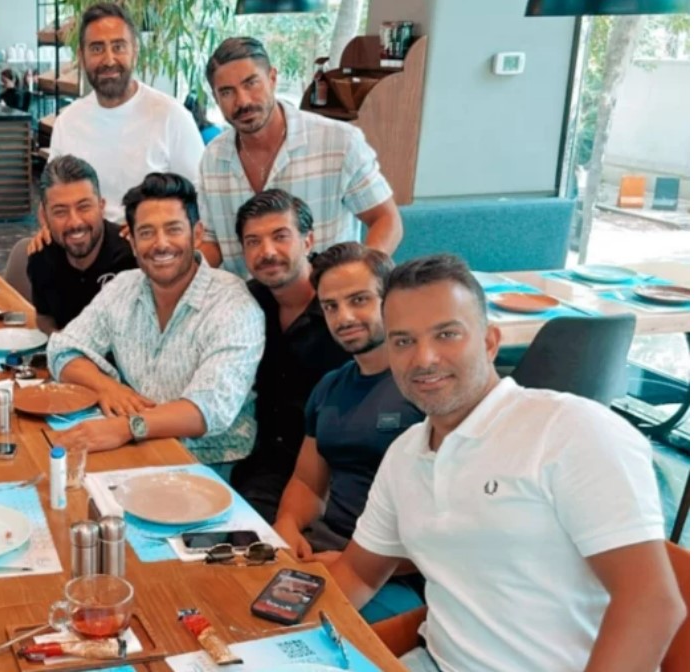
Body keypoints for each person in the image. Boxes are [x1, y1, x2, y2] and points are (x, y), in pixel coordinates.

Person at [325, 254, 685, 672]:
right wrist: (284, 630)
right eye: (403, 341)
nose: (424, 358)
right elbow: (359, 574)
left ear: (489, 342)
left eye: (446, 334)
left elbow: (652, 602)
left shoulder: (571, 430)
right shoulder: (405, 454)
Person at [46, 173, 263, 475]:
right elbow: (62, 349)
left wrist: (128, 426)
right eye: (146, 233)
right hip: (133, 448)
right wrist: (107, 388)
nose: (161, 244)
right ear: (133, 242)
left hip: (208, 463)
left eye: (173, 230)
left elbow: (209, 408)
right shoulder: (123, 287)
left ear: (197, 234)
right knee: (46, 472)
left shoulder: (233, 305)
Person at [270, 242, 425, 623]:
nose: (345, 317)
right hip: (324, 552)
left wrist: (355, 562)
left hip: (397, 574)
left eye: (359, 300)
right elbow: (308, 483)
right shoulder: (330, 387)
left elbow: (455, 531)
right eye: (331, 306)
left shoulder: (425, 388)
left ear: (391, 299)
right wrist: (286, 524)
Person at [198, 37, 403, 279]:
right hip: (243, 298)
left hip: (324, 295)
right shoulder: (213, 157)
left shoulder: (339, 142)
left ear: (272, 78)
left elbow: (386, 219)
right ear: (215, 98)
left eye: (251, 83)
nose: (242, 101)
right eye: (227, 92)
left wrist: (356, 279)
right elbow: (212, 242)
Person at [229, 190, 349, 521]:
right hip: (262, 465)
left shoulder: (344, 306)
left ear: (308, 240)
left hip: (334, 470)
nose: (267, 252)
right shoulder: (244, 304)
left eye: (280, 236)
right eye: (253, 242)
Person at [47, 2, 203, 225]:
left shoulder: (172, 117)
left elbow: (199, 199)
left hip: (150, 240)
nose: (109, 60)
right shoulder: (67, 122)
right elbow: (53, 193)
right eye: (97, 49)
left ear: (135, 51)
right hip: (85, 239)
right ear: (81, 56)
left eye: (118, 47)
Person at [28, 155, 137, 333]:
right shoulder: (41, 257)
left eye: (84, 207)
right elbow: (44, 318)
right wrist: (63, 343)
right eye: (60, 211)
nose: (75, 222)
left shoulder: (133, 255)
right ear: (44, 216)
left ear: (101, 206)